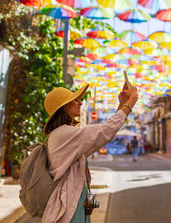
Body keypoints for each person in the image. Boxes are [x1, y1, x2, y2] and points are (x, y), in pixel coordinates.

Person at [42, 82, 138, 223]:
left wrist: (122, 106)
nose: (80, 103)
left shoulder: (64, 135)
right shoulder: (65, 134)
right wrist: (131, 102)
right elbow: (105, 131)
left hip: (75, 202)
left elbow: (103, 134)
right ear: (63, 107)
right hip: (69, 207)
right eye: (74, 100)